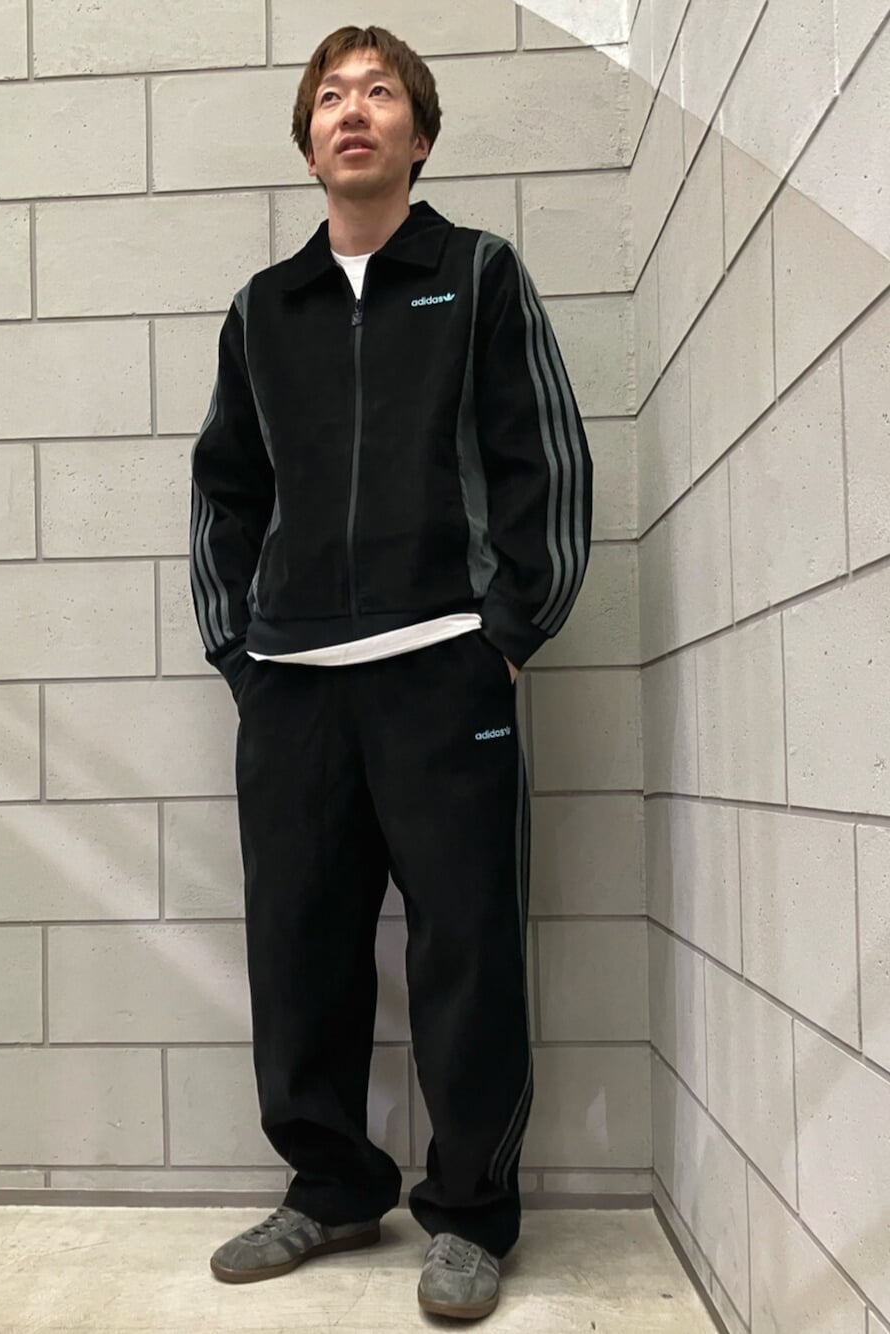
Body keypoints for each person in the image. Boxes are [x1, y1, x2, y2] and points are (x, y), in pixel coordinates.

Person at [189, 23, 592, 1322]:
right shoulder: (264, 308)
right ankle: (332, 1184)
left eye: (378, 93)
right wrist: (242, 654)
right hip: (295, 683)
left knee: (467, 948)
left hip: (441, 672)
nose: (351, 111)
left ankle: (470, 1212)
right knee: (298, 947)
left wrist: (507, 635)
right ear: (308, 140)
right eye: (330, 96)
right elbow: (223, 491)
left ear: (418, 134)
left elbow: (544, 460)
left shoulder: (478, 275)